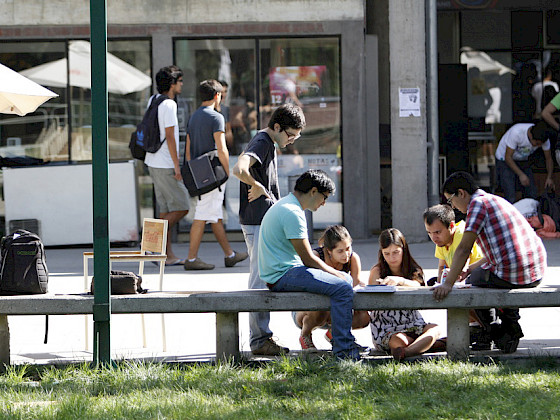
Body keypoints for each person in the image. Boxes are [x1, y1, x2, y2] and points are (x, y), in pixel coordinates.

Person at [433, 171, 546, 353]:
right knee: (477, 274)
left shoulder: (476, 206)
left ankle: (495, 329)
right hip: (535, 272)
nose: (452, 207)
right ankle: (509, 323)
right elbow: (497, 252)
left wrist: (448, 283)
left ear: (461, 193)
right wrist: (469, 269)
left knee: (471, 283)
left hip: (515, 274)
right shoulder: (493, 200)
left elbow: (464, 248)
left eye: (450, 200)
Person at [258, 170, 363, 360]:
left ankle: (339, 340)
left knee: (345, 281)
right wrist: (337, 275)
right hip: (282, 276)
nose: (324, 203)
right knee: (343, 287)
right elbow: (308, 259)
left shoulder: (287, 205)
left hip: (282, 273)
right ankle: (344, 350)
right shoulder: (292, 212)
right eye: (324, 197)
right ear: (313, 191)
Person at [232, 103, 306, 356]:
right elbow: (238, 168)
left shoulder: (267, 142)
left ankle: (263, 337)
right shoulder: (263, 141)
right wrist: (258, 186)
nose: (292, 140)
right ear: (277, 127)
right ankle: (259, 339)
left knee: (268, 273)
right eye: (290, 135)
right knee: (259, 278)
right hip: (257, 221)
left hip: (263, 220)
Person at [184, 79, 248, 270]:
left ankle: (230, 255)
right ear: (217, 96)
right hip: (213, 174)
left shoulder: (194, 116)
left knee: (214, 215)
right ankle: (192, 259)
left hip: (199, 172)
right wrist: (228, 170)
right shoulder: (216, 117)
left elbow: (187, 148)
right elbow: (222, 148)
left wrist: (190, 169)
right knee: (203, 214)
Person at [368, 228, 441, 361]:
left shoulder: (414, 270)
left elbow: (419, 287)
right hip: (387, 327)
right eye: (387, 253)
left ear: (404, 250)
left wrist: (400, 281)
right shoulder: (377, 271)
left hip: (414, 323)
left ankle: (406, 352)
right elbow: (371, 302)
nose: (392, 258)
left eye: (396, 252)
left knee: (434, 329)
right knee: (399, 341)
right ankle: (427, 345)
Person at [293, 225, 369, 351]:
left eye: (348, 248)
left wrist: (362, 286)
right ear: (328, 251)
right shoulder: (315, 257)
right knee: (321, 309)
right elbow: (308, 291)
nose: (346, 254)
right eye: (340, 251)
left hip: (336, 310)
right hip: (309, 309)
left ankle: (335, 334)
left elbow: (355, 286)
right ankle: (305, 335)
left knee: (364, 317)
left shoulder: (353, 258)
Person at [144, 65, 189, 266]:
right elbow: (170, 137)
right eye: (179, 81)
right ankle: (151, 244)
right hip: (164, 163)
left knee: (165, 210)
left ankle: (165, 255)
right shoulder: (169, 104)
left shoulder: (153, 100)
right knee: (183, 206)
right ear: (172, 83)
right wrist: (177, 166)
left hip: (152, 161)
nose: (181, 85)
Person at [494, 120, 556, 203]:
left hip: (522, 159)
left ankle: (530, 213)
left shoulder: (543, 138)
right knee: (510, 192)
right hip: (504, 158)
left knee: (531, 191)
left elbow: (548, 159)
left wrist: (549, 177)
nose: (538, 146)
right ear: (530, 136)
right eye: (537, 143)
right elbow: (508, 157)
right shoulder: (517, 133)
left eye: (540, 144)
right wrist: (521, 174)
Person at [423, 204, 485, 286]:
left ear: (451, 226)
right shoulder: (441, 240)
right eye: (429, 233)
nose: (433, 238)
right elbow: (442, 267)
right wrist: (438, 284)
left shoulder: (461, 233)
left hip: (477, 276)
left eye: (437, 232)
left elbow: (463, 265)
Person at [217, 80, 234, 151]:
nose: (223, 95)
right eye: (221, 92)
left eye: (225, 92)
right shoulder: (209, 109)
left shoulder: (224, 109)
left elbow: (228, 131)